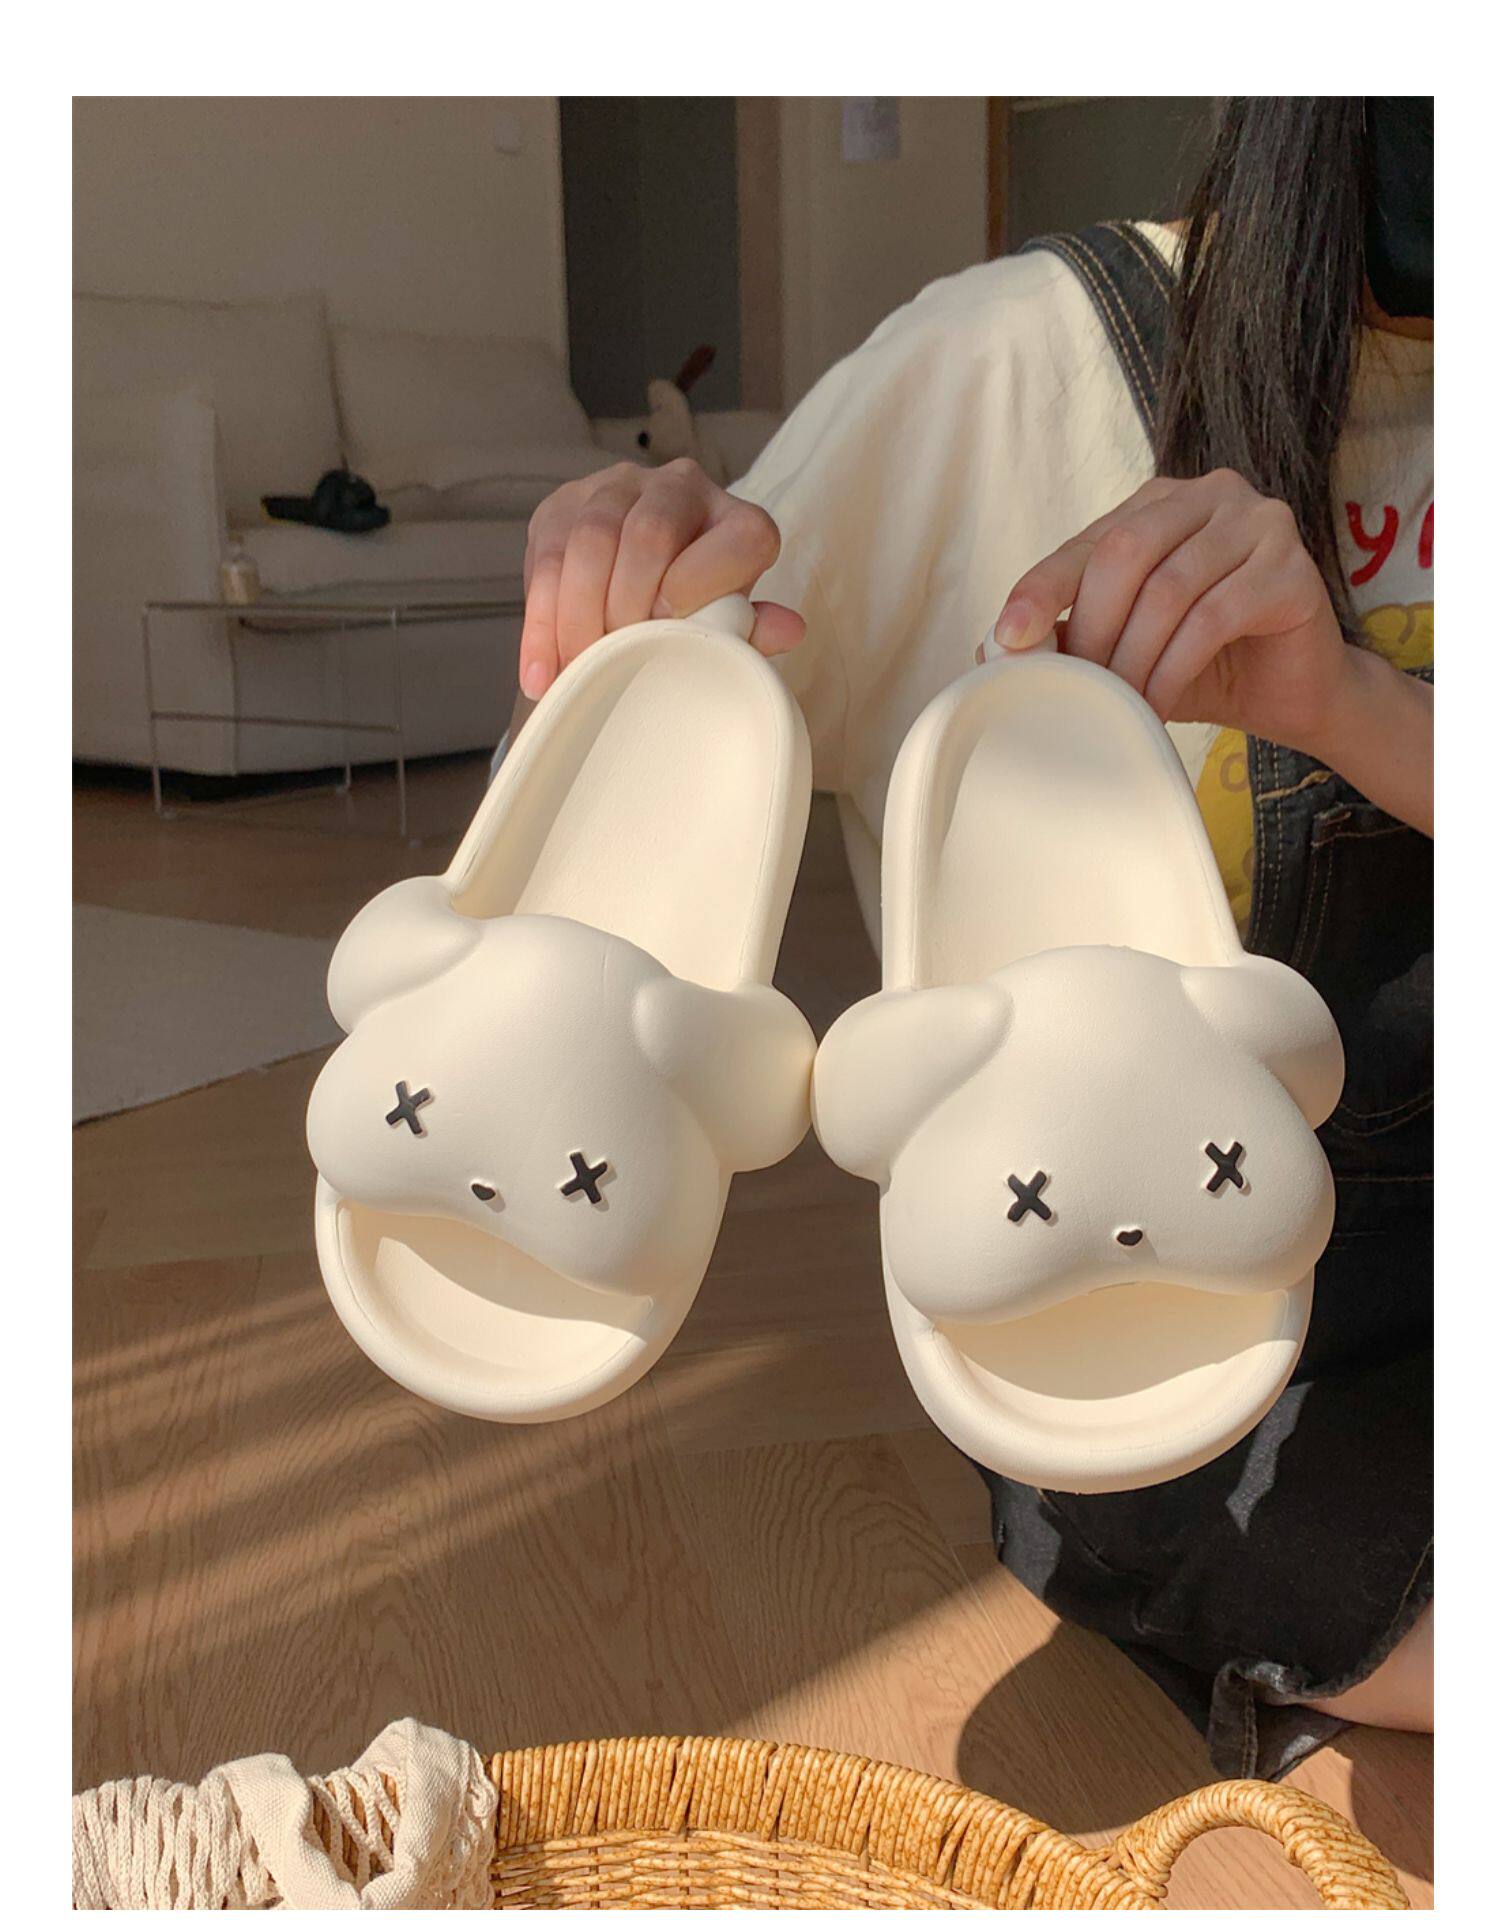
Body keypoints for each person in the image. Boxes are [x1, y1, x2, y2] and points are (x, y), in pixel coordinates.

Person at [512, 97, 1433, 1779]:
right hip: (1149, 1326)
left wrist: (1356, 708)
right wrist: (625, 613)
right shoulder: (1009, 368)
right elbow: (644, 753)